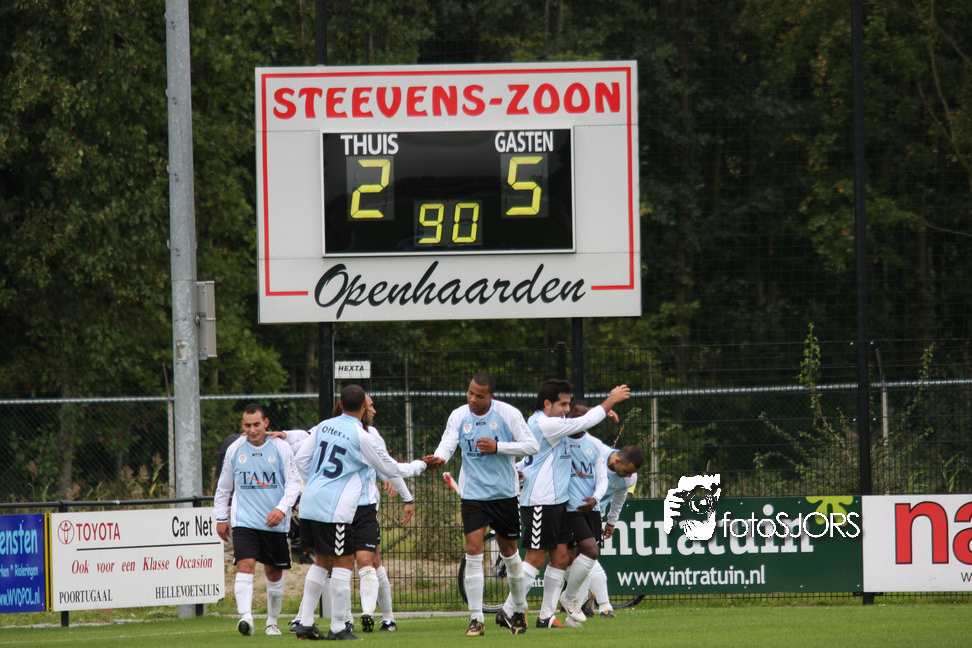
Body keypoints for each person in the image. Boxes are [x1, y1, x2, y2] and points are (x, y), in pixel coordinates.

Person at [292, 384, 444, 641]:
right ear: (364, 406)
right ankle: (338, 627)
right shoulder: (362, 436)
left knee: (321, 562)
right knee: (343, 563)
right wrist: (422, 465)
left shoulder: (323, 426)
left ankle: (305, 623)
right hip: (334, 508)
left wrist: (317, 483)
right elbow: (392, 469)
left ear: (341, 404)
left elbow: (300, 460)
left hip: (310, 502)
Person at [432, 372, 539, 637]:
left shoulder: (508, 413)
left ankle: (519, 609)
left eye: (479, 396)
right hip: (473, 495)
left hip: (504, 494)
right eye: (470, 393)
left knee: (510, 554)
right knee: (473, 551)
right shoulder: (459, 415)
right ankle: (476, 619)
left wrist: (498, 447)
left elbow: (532, 446)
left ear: (491, 396)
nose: (473, 399)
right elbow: (448, 442)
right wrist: (440, 457)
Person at [517, 379, 630, 629]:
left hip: (563, 504)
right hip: (547, 503)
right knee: (538, 558)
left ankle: (547, 615)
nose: (567, 410)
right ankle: (511, 609)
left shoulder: (583, 441)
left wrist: (600, 411)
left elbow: (587, 432)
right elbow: (531, 459)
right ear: (548, 404)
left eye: (570, 405)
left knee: (562, 559)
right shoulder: (552, 428)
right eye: (564, 405)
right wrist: (609, 401)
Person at [213, 403, 302, 636]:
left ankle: (272, 622)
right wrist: (221, 517)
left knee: (274, 573)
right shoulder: (235, 449)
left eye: (256, 425)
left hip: (275, 523)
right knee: (245, 564)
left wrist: (281, 509)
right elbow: (224, 486)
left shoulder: (281, 448)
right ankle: (246, 618)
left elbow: (294, 483)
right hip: (244, 521)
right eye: (247, 425)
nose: (252, 430)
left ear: (266, 423)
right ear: (242, 425)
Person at [582, 443, 643, 618]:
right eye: (627, 471)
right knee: (570, 560)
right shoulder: (595, 452)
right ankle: (585, 598)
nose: (630, 476)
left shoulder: (629, 478)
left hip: (594, 516)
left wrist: (611, 521)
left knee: (586, 558)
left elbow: (620, 497)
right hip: (572, 509)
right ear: (617, 461)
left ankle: (603, 605)